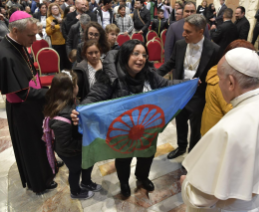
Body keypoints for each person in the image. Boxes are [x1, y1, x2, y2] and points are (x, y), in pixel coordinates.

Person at [180, 47, 259, 212]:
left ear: (231, 82)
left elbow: (202, 198)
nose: (219, 84)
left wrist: (186, 185)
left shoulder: (228, 129)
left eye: (220, 79)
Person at [71, 39, 184, 198]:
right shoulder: (111, 76)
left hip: (146, 126)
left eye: (144, 55)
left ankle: (142, 177)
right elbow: (95, 96)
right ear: (125, 56)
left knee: (146, 154)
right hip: (122, 129)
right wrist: (80, 110)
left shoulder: (149, 74)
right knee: (124, 157)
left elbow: (167, 85)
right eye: (136, 53)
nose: (141, 58)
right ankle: (124, 182)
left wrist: (189, 83)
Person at [0, 11, 57, 194]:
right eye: (31, 35)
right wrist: (50, 93)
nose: (35, 38)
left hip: (33, 101)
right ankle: (40, 182)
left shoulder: (19, 43)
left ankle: (49, 166)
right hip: (23, 109)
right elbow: (21, 92)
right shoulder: (5, 54)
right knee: (32, 146)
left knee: (42, 138)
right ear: (15, 30)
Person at [158, 14, 220, 159]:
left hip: (198, 95)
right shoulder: (180, 45)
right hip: (180, 93)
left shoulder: (214, 49)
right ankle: (181, 147)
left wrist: (204, 83)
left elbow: (216, 74)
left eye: (188, 31)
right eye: (184, 30)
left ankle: (192, 154)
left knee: (196, 127)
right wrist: (154, 75)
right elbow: (170, 63)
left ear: (200, 31)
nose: (183, 34)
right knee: (180, 121)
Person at [44, 71, 101, 200]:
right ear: (70, 89)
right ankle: (75, 192)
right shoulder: (61, 117)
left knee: (87, 162)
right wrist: (85, 142)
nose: (78, 87)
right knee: (75, 170)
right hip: (70, 151)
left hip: (79, 144)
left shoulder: (72, 101)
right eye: (76, 85)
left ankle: (86, 182)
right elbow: (65, 143)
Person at [201, 39, 256, 136]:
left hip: (210, 126)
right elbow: (233, 112)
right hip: (218, 134)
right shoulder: (223, 82)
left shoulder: (218, 71)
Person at [47, 3, 71, 71]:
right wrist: (52, 27)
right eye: (53, 9)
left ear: (59, 9)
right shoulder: (49, 19)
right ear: (50, 10)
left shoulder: (64, 16)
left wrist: (59, 23)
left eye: (56, 8)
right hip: (56, 43)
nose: (55, 10)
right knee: (60, 62)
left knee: (68, 60)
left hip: (66, 41)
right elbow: (48, 32)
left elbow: (68, 26)